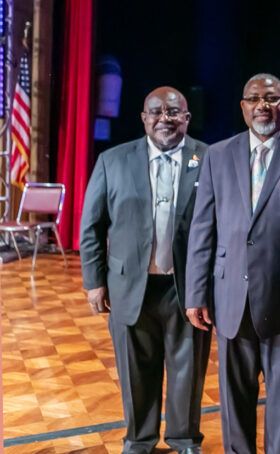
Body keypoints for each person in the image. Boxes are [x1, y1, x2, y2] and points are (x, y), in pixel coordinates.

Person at [184, 73, 280, 454]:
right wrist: (196, 292)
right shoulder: (217, 154)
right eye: (255, 98)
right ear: (242, 107)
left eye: (273, 98)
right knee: (233, 401)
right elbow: (202, 229)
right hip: (229, 298)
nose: (263, 105)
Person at [80, 86, 210, 454]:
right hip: (128, 286)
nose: (164, 119)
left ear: (186, 117)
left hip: (187, 288)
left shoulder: (210, 158)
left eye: (173, 112)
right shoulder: (112, 161)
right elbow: (91, 226)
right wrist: (94, 282)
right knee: (135, 371)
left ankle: (185, 439)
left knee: (188, 372)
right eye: (156, 112)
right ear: (143, 118)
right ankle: (139, 439)